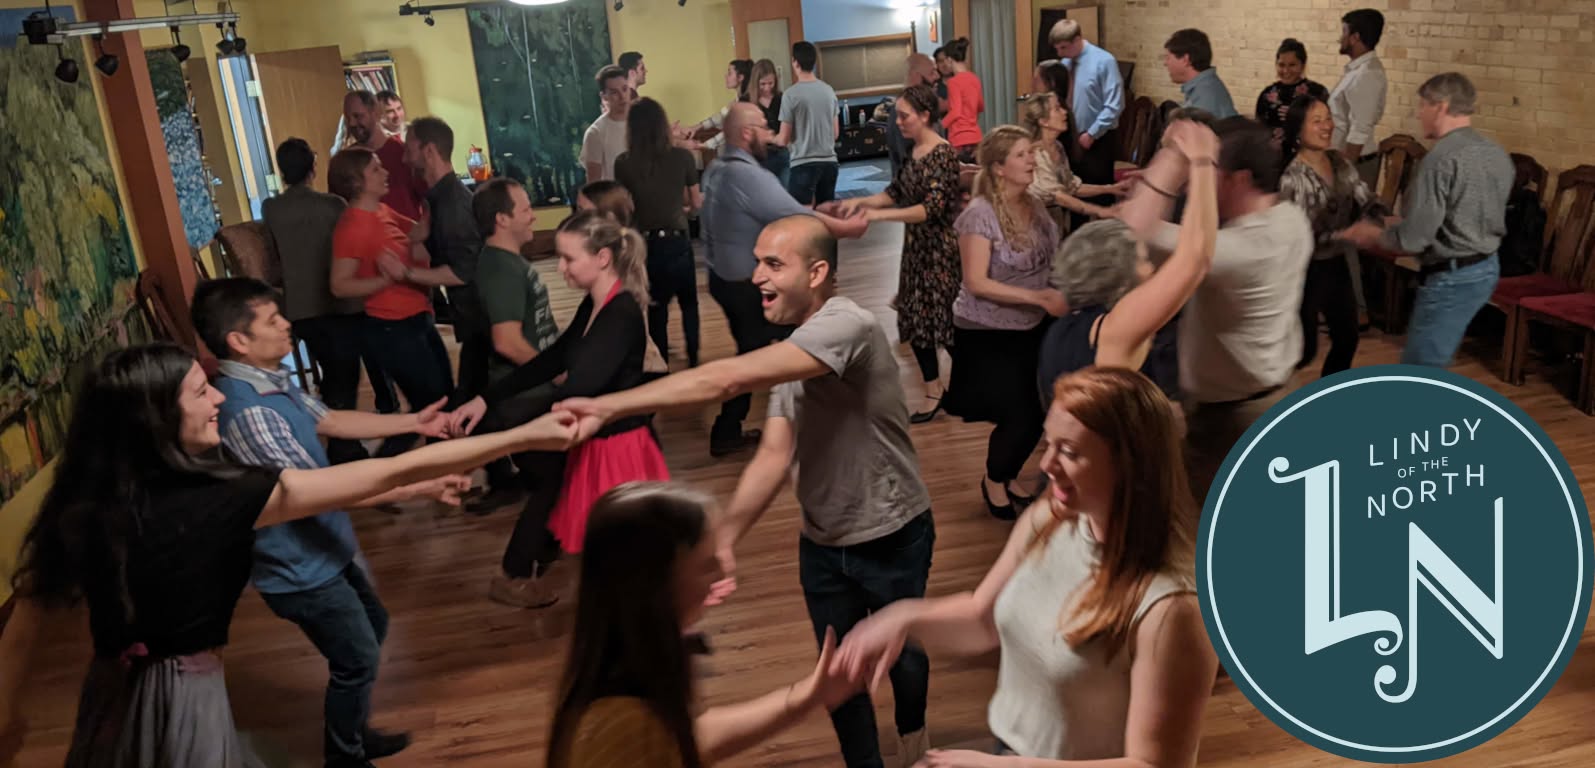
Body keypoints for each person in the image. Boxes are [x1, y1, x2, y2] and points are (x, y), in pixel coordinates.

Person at [2, 341, 575, 768]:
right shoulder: (218, 498)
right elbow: (389, 468)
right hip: (180, 695)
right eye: (200, 392)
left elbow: (26, 615)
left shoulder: (92, 494)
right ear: (156, 417)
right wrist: (523, 437)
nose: (218, 398)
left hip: (108, 687)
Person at [557, 216, 937, 768]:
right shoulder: (793, 352)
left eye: (773, 264)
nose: (755, 275)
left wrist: (609, 405)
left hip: (892, 534)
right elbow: (775, 454)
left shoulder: (846, 325)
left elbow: (726, 380)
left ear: (817, 273)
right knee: (838, 669)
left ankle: (913, 736)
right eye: (758, 262)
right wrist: (726, 539)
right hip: (823, 543)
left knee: (904, 656)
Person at [832, 368, 1219, 766]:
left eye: (1070, 452)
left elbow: (1155, 764)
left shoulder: (1174, 609)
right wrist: (903, 618)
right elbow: (982, 619)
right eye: (1048, 443)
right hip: (1013, 752)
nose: (1047, 463)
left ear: (1131, 465)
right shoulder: (1050, 521)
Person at [191, 278, 463, 768]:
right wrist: (418, 486)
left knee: (372, 630)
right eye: (272, 319)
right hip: (297, 568)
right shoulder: (248, 411)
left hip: (324, 549)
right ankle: (345, 755)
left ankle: (354, 732)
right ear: (238, 340)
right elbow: (320, 491)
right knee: (356, 659)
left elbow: (330, 420)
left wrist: (412, 422)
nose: (287, 324)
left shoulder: (270, 380)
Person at [546, 482, 858, 768]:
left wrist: (807, 697)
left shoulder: (634, 670)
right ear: (657, 584)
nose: (723, 572)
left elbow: (687, 738)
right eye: (708, 564)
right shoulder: (621, 729)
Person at [1120, 117, 1313, 504]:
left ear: (1238, 180)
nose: (1196, 185)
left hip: (1233, 418)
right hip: (1271, 395)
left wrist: (1174, 158)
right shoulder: (1291, 218)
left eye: (1210, 173)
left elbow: (1129, 231)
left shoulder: (1238, 252)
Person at [452, 210, 668, 556]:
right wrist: (486, 399)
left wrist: (502, 435)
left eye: (568, 258)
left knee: (621, 551)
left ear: (602, 258)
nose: (560, 268)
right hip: (596, 444)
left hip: (616, 451)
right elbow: (553, 359)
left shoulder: (620, 313)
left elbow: (576, 390)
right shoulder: (594, 304)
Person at [699, 102, 867, 458]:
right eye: (764, 127)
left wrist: (818, 210)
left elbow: (779, 210)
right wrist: (847, 228)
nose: (771, 134)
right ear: (747, 133)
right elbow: (797, 218)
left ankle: (741, 428)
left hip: (724, 281)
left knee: (770, 348)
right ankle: (813, 424)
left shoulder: (718, 168)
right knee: (789, 348)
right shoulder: (747, 175)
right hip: (745, 286)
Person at [1038, 119, 1221, 409]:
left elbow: (1130, 232)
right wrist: (1202, 163)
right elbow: (1194, 260)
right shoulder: (1114, 330)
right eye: (1143, 259)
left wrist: (1171, 159)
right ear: (1120, 281)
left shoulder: (1066, 325)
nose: (1150, 266)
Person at [1340, 73, 1511, 369]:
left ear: (1441, 106)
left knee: (1421, 370)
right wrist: (1404, 222)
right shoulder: (1496, 153)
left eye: (1422, 105)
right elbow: (1466, 214)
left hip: (1452, 275)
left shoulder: (1440, 159)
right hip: (1486, 268)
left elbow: (1413, 240)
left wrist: (1372, 235)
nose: (1419, 114)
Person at [942, 126, 1067, 520]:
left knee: (1041, 409)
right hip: (989, 332)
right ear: (999, 168)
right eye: (1022, 154)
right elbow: (976, 282)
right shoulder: (979, 215)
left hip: (1035, 325)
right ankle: (995, 479)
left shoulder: (1034, 205)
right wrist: (1038, 298)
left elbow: (1052, 260)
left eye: (1031, 152)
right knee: (1021, 414)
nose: (1032, 160)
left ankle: (1007, 473)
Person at [827, 84, 961, 423]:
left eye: (904, 116)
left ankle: (966, 387)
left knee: (943, 323)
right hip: (916, 250)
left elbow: (930, 209)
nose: (898, 122)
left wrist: (878, 216)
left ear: (925, 116)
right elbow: (896, 191)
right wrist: (860, 202)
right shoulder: (915, 150)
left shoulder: (943, 154)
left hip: (939, 253)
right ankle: (934, 390)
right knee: (914, 320)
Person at [466, 178, 568, 607]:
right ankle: (513, 573)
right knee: (552, 482)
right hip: (524, 400)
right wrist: (556, 372)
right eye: (525, 208)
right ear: (502, 219)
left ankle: (544, 549)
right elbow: (507, 341)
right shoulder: (501, 269)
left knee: (557, 478)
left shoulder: (508, 263)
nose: (532, 216)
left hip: (532, 394)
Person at [327, 148, 456, 457]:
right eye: (376, 169)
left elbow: (417, 232)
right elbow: (339, 285)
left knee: (441, 401)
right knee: (429, 409)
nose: (385, 173)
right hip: (392, 329)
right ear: (356, 182)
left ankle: (440, 467)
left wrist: (436, 193)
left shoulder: (381, 210)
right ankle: (384, 469)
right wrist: (386, 280)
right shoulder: (352, 227)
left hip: (418, 317)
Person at [260, 138, 369, 465]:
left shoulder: (271, 208)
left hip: (300, 308)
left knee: (331, 372)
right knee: (345, 376)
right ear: (313, 168)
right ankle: (344, 446)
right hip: (339, 305)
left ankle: (341, 443)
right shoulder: (334, 205)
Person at [1279, 95, 1385, 378]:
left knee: (1347, 336)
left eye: (1328, 118)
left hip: (1335, 264)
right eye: (1317, 121)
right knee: (1304, 349)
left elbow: (1365, 198)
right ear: (1298, 130)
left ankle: (1328, 395)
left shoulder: (1339, 162)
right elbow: (1295, 237)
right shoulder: (1292, 177)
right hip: (1303, 270)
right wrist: (1346, 234)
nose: (1327, 126)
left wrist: (1384, 220)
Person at [398, 117, 491, 405]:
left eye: (409, 148)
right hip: (471, 315)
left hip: (480, 316)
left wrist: (406, 274)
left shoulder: (452, 203)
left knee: (472, 397)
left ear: (429, 151)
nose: (404, 157)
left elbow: (463, 272)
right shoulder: (438, 198)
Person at [617, 98, 704, 369]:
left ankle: (661, 365)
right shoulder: (683, 157)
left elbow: (625, 207)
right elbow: (696, 204)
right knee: (689, 303)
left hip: (646, 244)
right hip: (678, 241)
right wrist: (684, 210)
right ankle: (694, 358)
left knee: (657, 310)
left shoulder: (624, 163)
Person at [1050, 19, 1125, 224]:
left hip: (1098, 139)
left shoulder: (1104, 61)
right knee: (1074, 192)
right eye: (1057, 49)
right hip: (1071, 137)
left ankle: (1104, 235)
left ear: (1077, 40)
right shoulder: (1066, 64)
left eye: (1064, 47)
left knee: (1101, 196)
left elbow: (1114, 104)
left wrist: (1092, 133)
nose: (1060, 53)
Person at [1018, 92, 1130, 222]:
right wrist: (1100, 211)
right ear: (1044, 121)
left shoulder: (1057, 147)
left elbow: (1072, 187)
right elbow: (1060, 197)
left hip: (1054, 220)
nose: (1065, 112)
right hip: (1034, 221)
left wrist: (1110, 188)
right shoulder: (1036, 153)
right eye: (1057, 109)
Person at [342, 91, 426, 221]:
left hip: (407, 231)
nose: (352, 123)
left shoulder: (404, 153)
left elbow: (428, 199)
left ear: (375, 113)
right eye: (348, 118)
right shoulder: (345, 161)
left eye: (358, 116)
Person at [780, 41, 841, 206]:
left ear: (795, 62)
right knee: (826, 211)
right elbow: (835, 134)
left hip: (802, 163)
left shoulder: (790, 95)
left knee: (802, 214)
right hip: (829, 163)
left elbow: (783, 139)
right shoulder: (829, 91)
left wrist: (768, 137)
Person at [1330, 9, 1388, 168]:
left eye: (1344, 32)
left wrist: (1346, 169)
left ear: (1355, 37)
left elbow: (1360, 128)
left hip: (1354, 163)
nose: (1340, 39)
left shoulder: (1367, 74)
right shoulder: (1358, 71)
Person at [876, 54, 943, 179]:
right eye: (932, 72)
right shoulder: (904, 113)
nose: (937, 76)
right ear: (916, 76)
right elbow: (915, 166)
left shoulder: (923, 107)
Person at [1254, 39, 1330, 144]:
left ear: (1302, 65)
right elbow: (1258, 131)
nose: (1286, 70)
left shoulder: (1317, 92)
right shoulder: (1267, 95)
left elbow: (1327, 126)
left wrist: (1298, 117)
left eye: (1292, 65)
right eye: (1281, 65)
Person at [1162, 29, 1237, 119]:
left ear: (1185, 60)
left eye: (1168, 58)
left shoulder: (1206, 95)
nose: (1165, 63)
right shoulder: (1204, 87)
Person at [682, 59, 753, 154]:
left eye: (729, 73)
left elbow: (731, 131)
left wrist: (704, 145)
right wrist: (695, 128)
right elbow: (719, 117)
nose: (725, 76)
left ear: (740, 77)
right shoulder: (736, 100)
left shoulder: (745, 102)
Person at [583, 66, 634, 184]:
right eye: (614, 92)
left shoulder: (644, 121)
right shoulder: (596, 133)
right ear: (604, 96)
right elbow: (593, 183)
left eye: (625, 89)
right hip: (616, 194)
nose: (622, 96)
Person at [940, 38, 985, 162]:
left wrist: (939, 125)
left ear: (949, 60)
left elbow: (956, 111)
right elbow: (980, 106)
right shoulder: (974, 79)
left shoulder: (953, 82)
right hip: (975, 136)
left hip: (958, 137)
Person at [748, 59, 790, 184]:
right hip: (759, 157)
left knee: (785, 192)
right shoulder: (747, 101)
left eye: (770, 83)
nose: (767, 88)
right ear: (755, 82)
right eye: (762, 84)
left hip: (781, 154)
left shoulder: (781, 98)